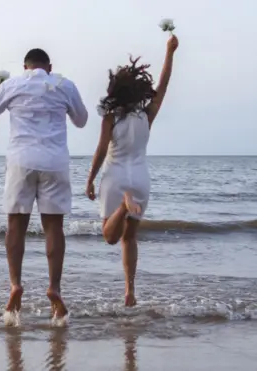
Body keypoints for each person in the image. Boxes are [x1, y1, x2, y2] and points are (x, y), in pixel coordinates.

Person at [0, 49, 88, 323]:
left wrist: (0, 91)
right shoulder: (64, 84)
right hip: (54, 162)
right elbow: (82, 120)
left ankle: (15, 284)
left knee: (16, 225)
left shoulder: (13, 84)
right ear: (49, 67)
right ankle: (54, 288)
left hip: (21, 161)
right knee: (54, 228)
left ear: (24, 66)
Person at [85, 35, 179, 307]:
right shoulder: (147, 115)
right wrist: (170, 52)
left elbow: (102, 150)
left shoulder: (111, 117)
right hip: (140, 179)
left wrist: (90, 179)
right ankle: (129, 291)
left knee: (110, 236)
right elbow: (164, 84)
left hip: (115, 179)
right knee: (130, 238)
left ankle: (123, 208)